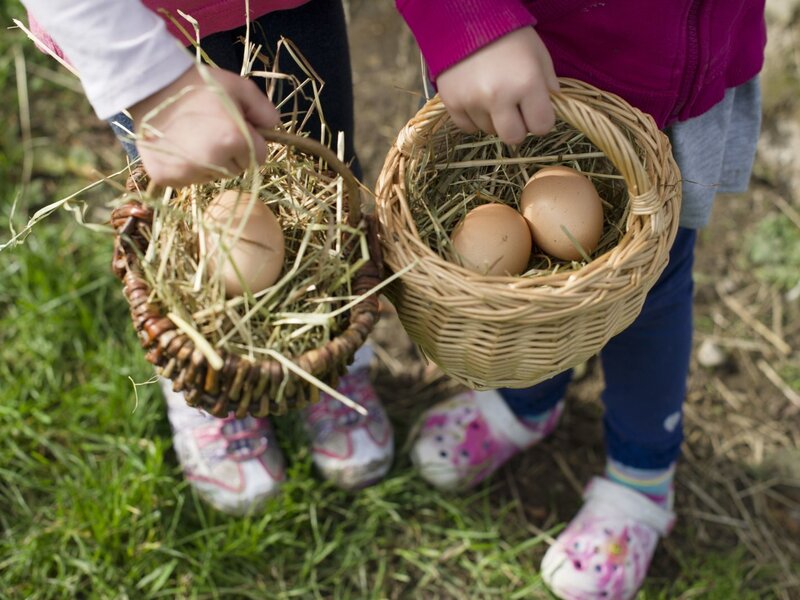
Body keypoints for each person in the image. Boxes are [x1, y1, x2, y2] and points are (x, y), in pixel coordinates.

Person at [396, 1, 765, 598]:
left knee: (654, 289)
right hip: (519, 73)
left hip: (680, 92)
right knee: (522, 301)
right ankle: (526, 402)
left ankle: (642, 477)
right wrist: (467, 20)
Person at [22, 0, 395, 517]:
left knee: (323, 177)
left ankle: (328, 350)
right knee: (180, 199)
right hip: (138, 27)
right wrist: (151, 83)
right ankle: (206, 378)